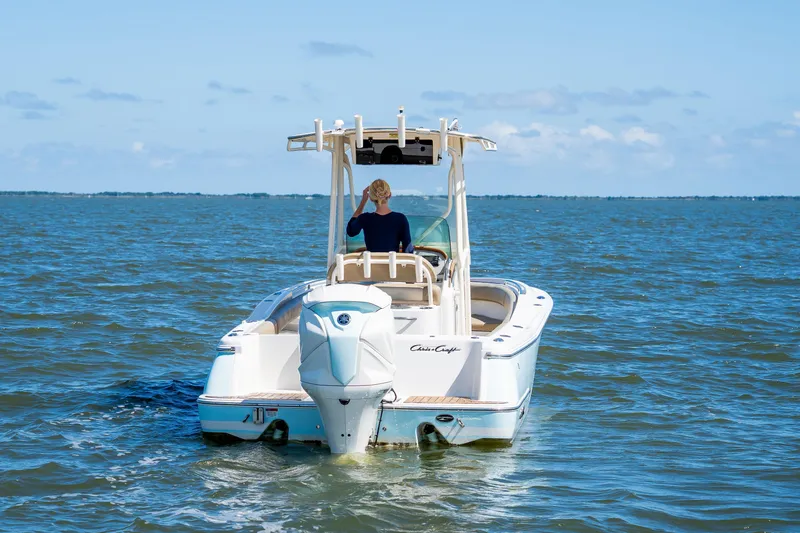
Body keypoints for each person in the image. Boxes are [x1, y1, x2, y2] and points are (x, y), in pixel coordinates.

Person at [346, 179, 414, 253]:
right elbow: (408, 249)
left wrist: (363, 202)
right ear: (390, 195)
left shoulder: (364, 218)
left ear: (371, 198)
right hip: (392, 264)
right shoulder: (400, 219)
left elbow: (351, 231)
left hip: (371, 264)